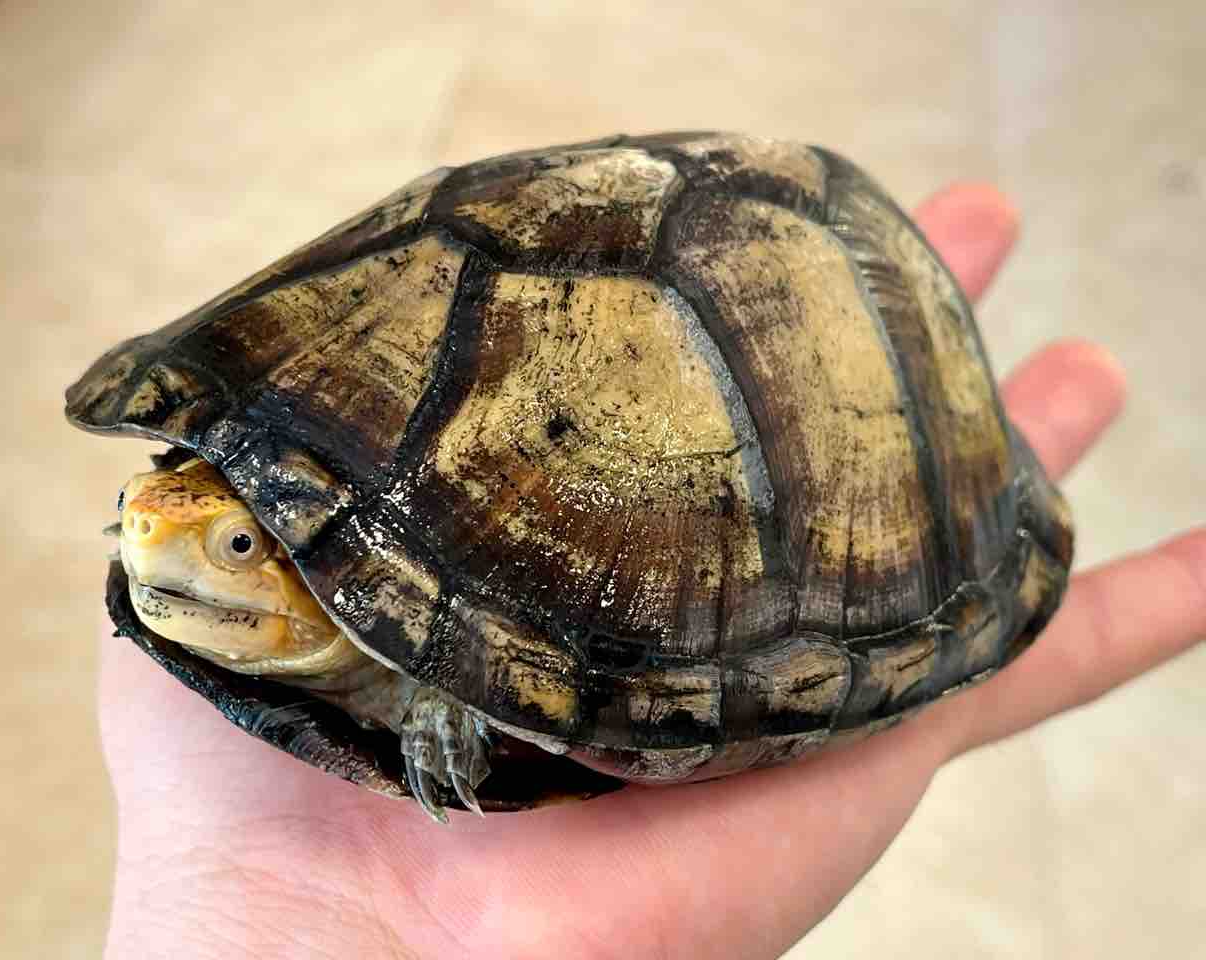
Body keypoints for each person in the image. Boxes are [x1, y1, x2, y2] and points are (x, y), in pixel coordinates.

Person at [97, 183, 1205, 960]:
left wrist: (452, 680)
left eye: (238, 547)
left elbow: (450, 622)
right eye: (142, 521)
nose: (150, 547)